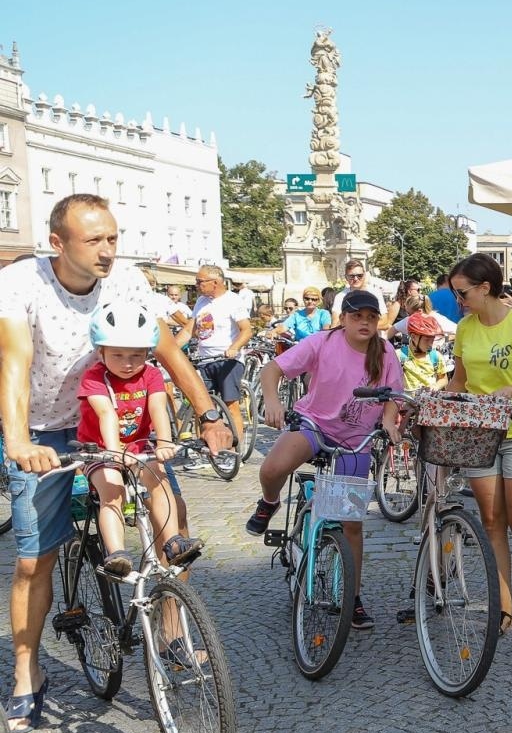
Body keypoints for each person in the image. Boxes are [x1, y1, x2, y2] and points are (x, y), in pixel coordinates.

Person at [1, 194, 228, 733]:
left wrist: (207, 414)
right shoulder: (20, 283)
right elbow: (13, 362)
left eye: (112, 238)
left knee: (172, 520)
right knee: (35, 559)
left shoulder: (126, 282)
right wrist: (16, 441)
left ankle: (171, 631)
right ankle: (27, 672)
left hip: (125, 424)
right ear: (58, 243)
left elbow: (168, 349)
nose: (108, 250)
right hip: (43, 428)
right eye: (94, 240)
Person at [248, 288, 402, 631]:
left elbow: (393, 394)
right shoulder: (322, 342)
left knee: (351, 524)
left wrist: (390, 418)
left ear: (378, 321)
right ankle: (269, 502)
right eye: (356, 316)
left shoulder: (385, 351)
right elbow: (272, 370)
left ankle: (353, 595)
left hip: (355, 439)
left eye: (370, 317)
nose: (364, 322)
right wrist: (272, 401)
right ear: (343, 318)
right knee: (273, 467)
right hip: (314, 424)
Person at [446, 254, 512, 635]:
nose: (459, 300)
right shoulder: (465, 328)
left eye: (462, 292)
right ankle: (503, 606)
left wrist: (505, 392)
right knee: (492, 522)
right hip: (480, 433)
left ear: (485, 287)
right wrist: (438, 402)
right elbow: (460, 381)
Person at [78, 304, 200, 577]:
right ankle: (117, 552)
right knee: (113, 492)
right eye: (117, 355)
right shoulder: (95, 377)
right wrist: (112, 450)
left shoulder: (151, 375)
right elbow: (105, 412)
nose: (127, 363)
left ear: (148, 353)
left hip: (137, 445)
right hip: (100, 449)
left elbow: (158, 408)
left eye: (136, 355)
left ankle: (173, 541)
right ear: (101, 352)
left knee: (159, 481)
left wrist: (165, 442)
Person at [190, 264, 254, 453]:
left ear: (215, 282)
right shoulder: (201, 301)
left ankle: (235, 450)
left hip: (227, 360)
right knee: (201, 406)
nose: (197, 285)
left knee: (230, 403)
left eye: (200, 282)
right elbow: (191, 329)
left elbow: (247, 330)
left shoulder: (232, 301)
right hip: (204, 359)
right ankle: (205, 448)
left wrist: (234, 348)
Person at [330, 259, 393, 330]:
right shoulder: (340, 297)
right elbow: (335, 325)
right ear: (346, 277)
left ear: (364, 275)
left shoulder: (375, 292)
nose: (356, 279)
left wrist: (356, 326)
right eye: (351, 276)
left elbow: (384, 323)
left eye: (359, 275)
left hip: (374, 339)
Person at [399, 312, 449, 391]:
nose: (430, 344)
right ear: (413, 337)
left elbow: (444, 379)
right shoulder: (399, 356)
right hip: (407, 400)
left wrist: (436, 386)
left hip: (427, 400)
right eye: (427, 340)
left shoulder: (436, 357)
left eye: (432, 340)